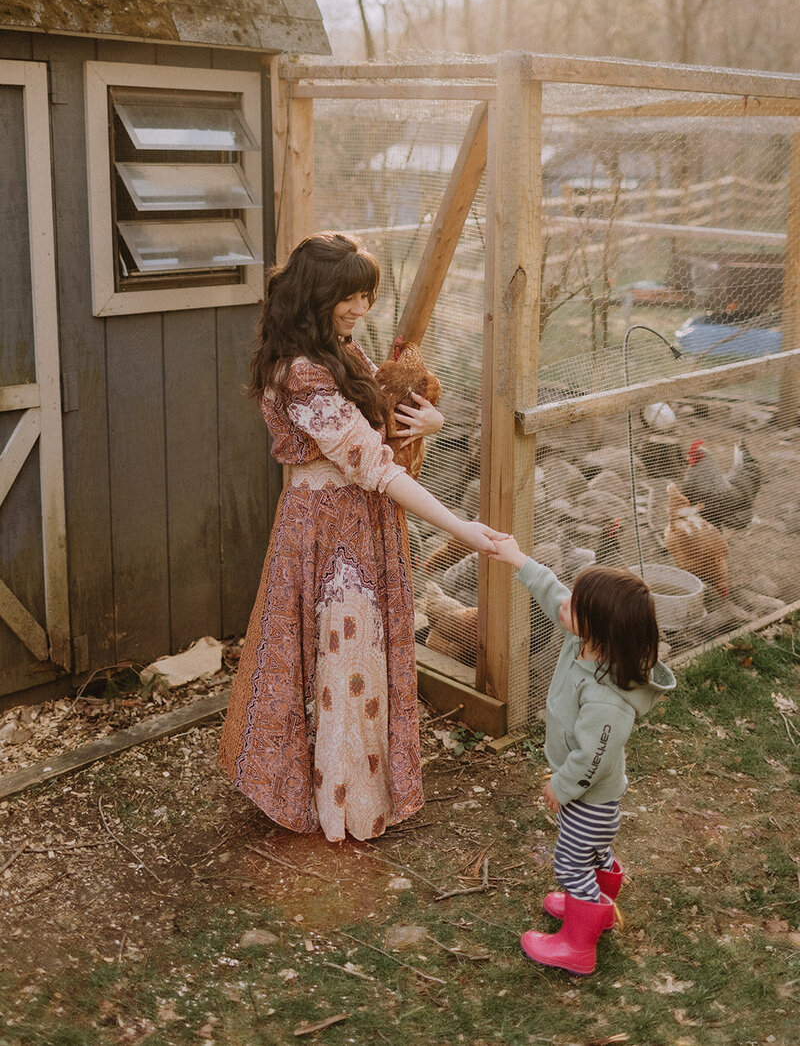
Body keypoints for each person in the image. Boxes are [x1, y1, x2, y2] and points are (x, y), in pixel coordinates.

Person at [219, 232, 504, 844]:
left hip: (361, 521)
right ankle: (340, 804)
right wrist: (458, 526)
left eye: (365, 296)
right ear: (314, 294)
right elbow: (373, 463)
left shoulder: (341, 353)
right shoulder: (301, 373)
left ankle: (355, 793)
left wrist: (432, 419)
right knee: (342, 654)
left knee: (356, 654)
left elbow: (384, 424)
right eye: (347, 296)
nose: (358, 308)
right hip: (324, 532)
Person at [491, 536, 676, 975]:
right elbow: (553, 593)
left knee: (570, 862)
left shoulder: (607, 700)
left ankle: (578, 943)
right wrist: (518, 559)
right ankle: (598, 904)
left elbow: (594, 757)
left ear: (597, 628)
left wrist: (561, 786)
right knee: (594, 853)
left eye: (577, 606)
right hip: (594, 802)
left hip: (589, 799)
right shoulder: (585, 641)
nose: (565, 606)